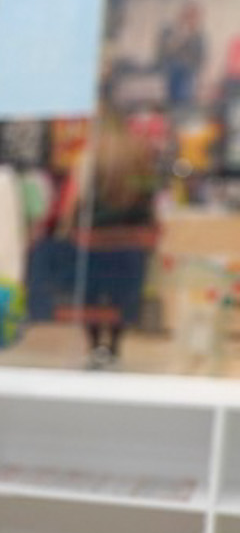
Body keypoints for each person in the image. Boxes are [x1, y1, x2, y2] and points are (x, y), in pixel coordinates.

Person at [58, 106, 160, 368]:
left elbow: (76, 199)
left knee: (91, 295)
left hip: (94, 239)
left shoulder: (90, 157)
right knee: (123, 295)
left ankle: (94, 347)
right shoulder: (139, 156)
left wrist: (66, 230)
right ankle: (114, 347)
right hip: (132, 239)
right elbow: (149, 197)